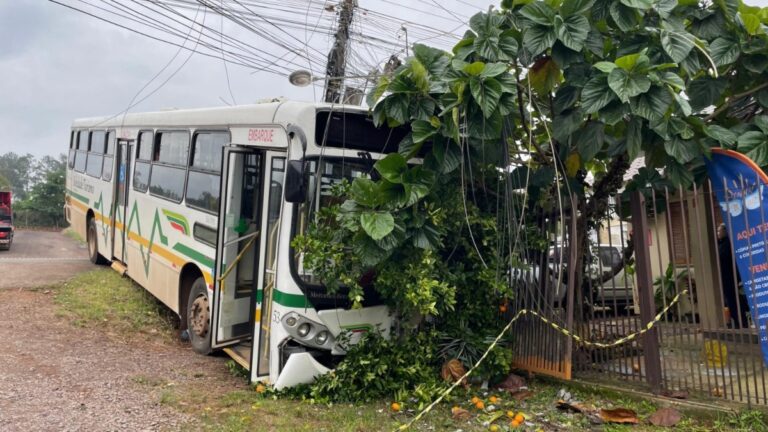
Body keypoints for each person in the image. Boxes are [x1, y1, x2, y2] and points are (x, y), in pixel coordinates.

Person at [718, 223, 750, 328]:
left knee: (734, 300)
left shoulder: (728, 244)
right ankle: (736, 321)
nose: (718, 233)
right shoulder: (721, 244)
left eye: (719, 231)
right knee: (730, 301)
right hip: (725, 277)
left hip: (730, 277)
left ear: (725, 231)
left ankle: (740, 322)